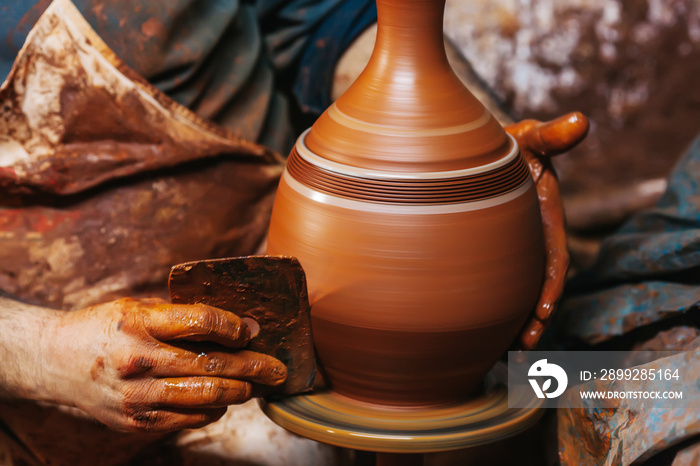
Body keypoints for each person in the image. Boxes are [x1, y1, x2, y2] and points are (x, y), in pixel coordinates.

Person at [0, 0, 588, 464]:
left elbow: (317, 26)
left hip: (284, 318)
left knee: (569, 385)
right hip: (38, 380)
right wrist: (41, 353)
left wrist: (480, 160)